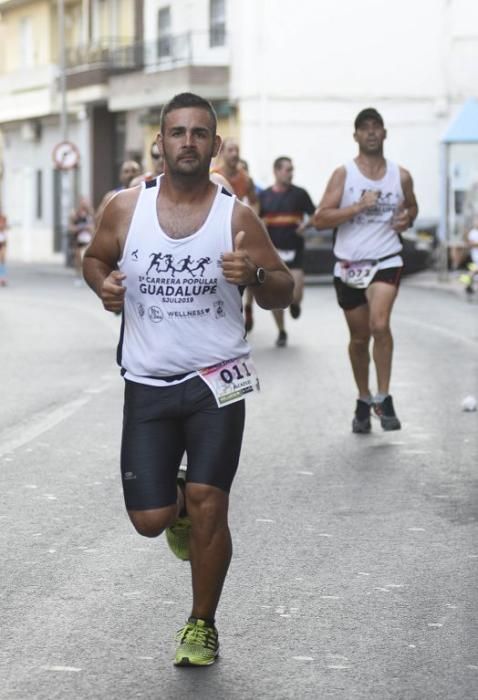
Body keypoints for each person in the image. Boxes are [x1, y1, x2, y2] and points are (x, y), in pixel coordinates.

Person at [83, 92, 293, 667]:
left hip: (215, 382)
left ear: (215, 146)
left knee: (211, 503)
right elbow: (94, 258)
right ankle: (172, 509)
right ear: (160, 142)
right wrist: (102, 286)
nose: (188, 143)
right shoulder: (127, 210)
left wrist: (252, 275)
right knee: (149, 520)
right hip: (148, 381)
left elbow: (285, 287)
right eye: (178, 133)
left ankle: (202, 624)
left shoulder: (236, 216)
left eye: (200, 134)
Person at [313, 107, 418, 433]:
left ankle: (384, 397)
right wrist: (359, 206)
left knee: (379, 324)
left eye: (376, 127)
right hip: (349, 265)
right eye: (365, 128)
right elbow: (320, 219)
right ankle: (363, 397)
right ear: (356, 135)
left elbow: (412, 206)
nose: (371, 132)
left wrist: (408, 218)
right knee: (359, 339)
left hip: (386, 259)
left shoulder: (400, 175)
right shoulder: (344, 175)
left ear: (384, 133)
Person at [259, 156, 315, 347]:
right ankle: (281, 331)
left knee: (296, 294)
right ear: (276, 171)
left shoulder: (300, 194)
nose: (291, 173)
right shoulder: (264, 196)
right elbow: (255, 221)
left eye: (292, 170)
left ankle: (295, 303)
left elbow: (315, 216)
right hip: (272, 254)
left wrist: (305, 227)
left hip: (295, 250)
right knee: (275, 296)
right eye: (287, 170)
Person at [211, 138, 259, 331]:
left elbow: (255, 201)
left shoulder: (245, 178)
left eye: (236, 150)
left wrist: (252, 219)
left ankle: (248, 305)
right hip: (218, 230)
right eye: (230, 150)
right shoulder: (214, 176)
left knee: (250, 266)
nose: (234, 154)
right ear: (222, 153)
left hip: (239, 229)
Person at [69, 197, 95, 283]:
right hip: (78, 239)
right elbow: (71, 228)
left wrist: (90, 230)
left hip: (88, 240)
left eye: (87, 202)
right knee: (78, 258)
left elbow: (94, 227)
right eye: (83, 202)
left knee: (88, 259)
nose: (85, 205)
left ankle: (88, 277)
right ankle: (78, 276)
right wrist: (82, 228)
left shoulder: (90, 214)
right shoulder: (75, 214)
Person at [0, 212, 8, 286]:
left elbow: (5, 227)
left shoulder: (3, 217)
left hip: (3, 243)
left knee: (2, 261)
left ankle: (2, 278)